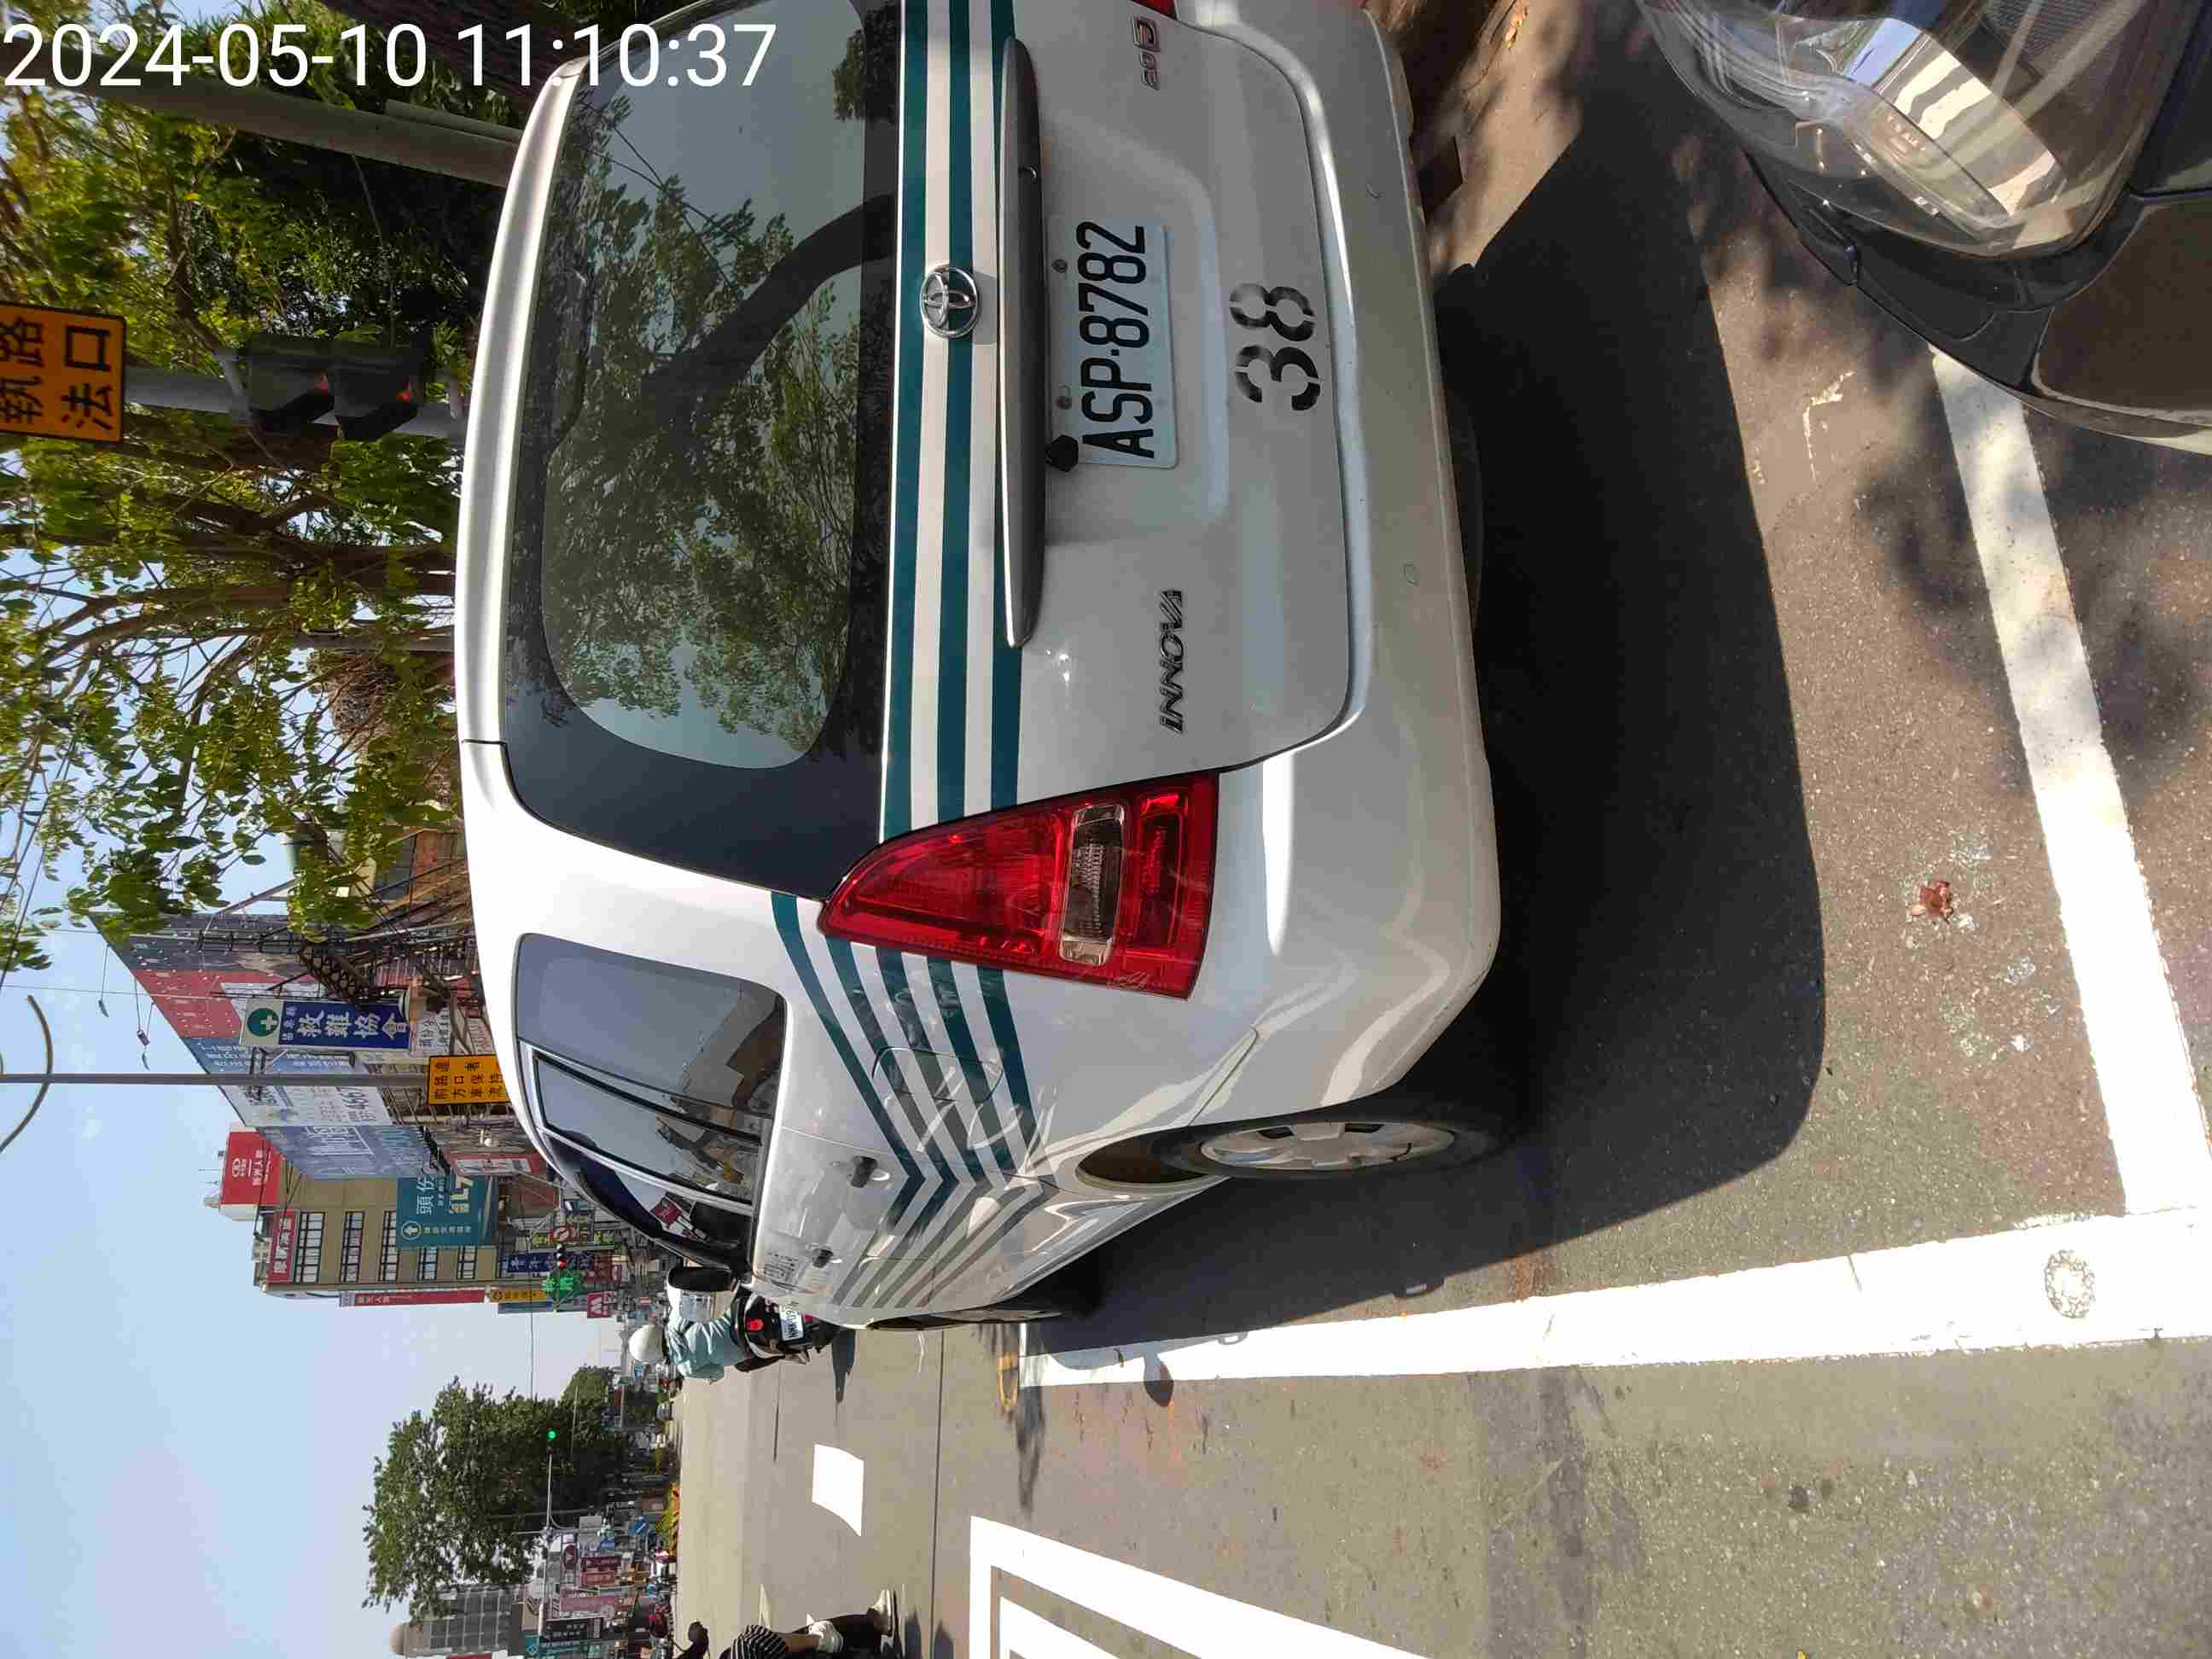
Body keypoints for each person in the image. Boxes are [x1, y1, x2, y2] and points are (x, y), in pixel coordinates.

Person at [628, 1293, 772, 1383]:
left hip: (745, 1347)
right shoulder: (676, 1314)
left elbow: (718, 1372)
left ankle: (780, 1353)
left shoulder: (686, 1369)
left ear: (654, 1358)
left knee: (743, 1365)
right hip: (738, 1310)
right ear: (651, 1330)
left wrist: (711, 1379)